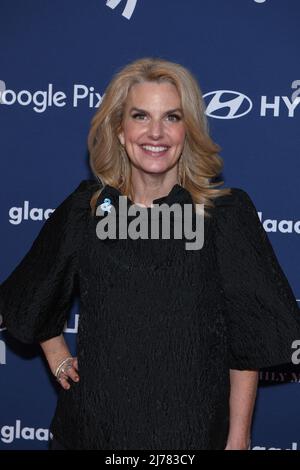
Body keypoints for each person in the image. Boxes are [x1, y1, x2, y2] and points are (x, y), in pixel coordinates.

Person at [1, 58, 300, 451]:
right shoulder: (87, 209)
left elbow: (247, 336)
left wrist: (238, 437)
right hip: (91, 433)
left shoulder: (223, 216)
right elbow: (29, 294)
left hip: (190, 436)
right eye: (140, 116)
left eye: (171, 117)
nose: (155, 132)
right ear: (120, 131)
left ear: (187, 131)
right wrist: (57, 355)